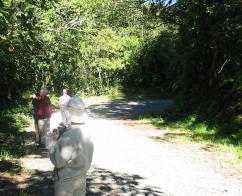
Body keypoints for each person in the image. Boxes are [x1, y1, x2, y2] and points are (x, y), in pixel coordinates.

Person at [49, 96, 93, 196]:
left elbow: (58, 162)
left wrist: (53, 143)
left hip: (66, 182)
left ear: (68, 113)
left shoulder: (69, 135)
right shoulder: (87, 131)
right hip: (81, 178)